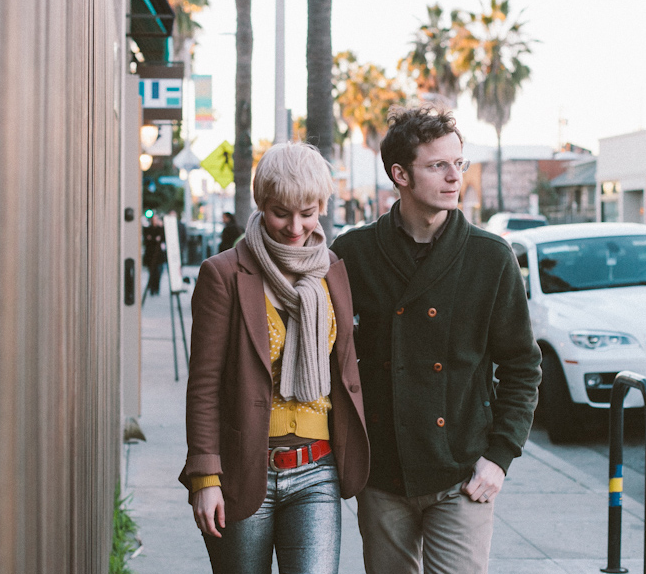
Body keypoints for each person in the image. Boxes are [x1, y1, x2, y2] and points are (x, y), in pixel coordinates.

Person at [330, 106, 541, 574]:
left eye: (458, 163)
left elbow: (522, 365)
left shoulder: (490, 257)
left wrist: (499, 458)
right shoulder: (355, 252)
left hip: (462, 471)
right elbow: (333, 356)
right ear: (400, 174)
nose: (454, 177)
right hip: (383, 472)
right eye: (437, 165)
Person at [180, 142, 370, 574]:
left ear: (321, 205)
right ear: (261, 204)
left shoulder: (331, 269)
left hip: (318, 470)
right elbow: (204, 385)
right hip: (246, 470)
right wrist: (205, 477)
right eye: (281, 211)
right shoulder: (224, 274)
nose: (295, 226)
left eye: (307, 211)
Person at [142, 216, 166, 296]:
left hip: (159, 255)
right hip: (150, 255)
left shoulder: (160, 229)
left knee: (158, 273)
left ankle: (156, 288)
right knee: (151, 272)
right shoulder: (148, 229)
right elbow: (147, 240)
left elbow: (162, 239)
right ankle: (152, 288)